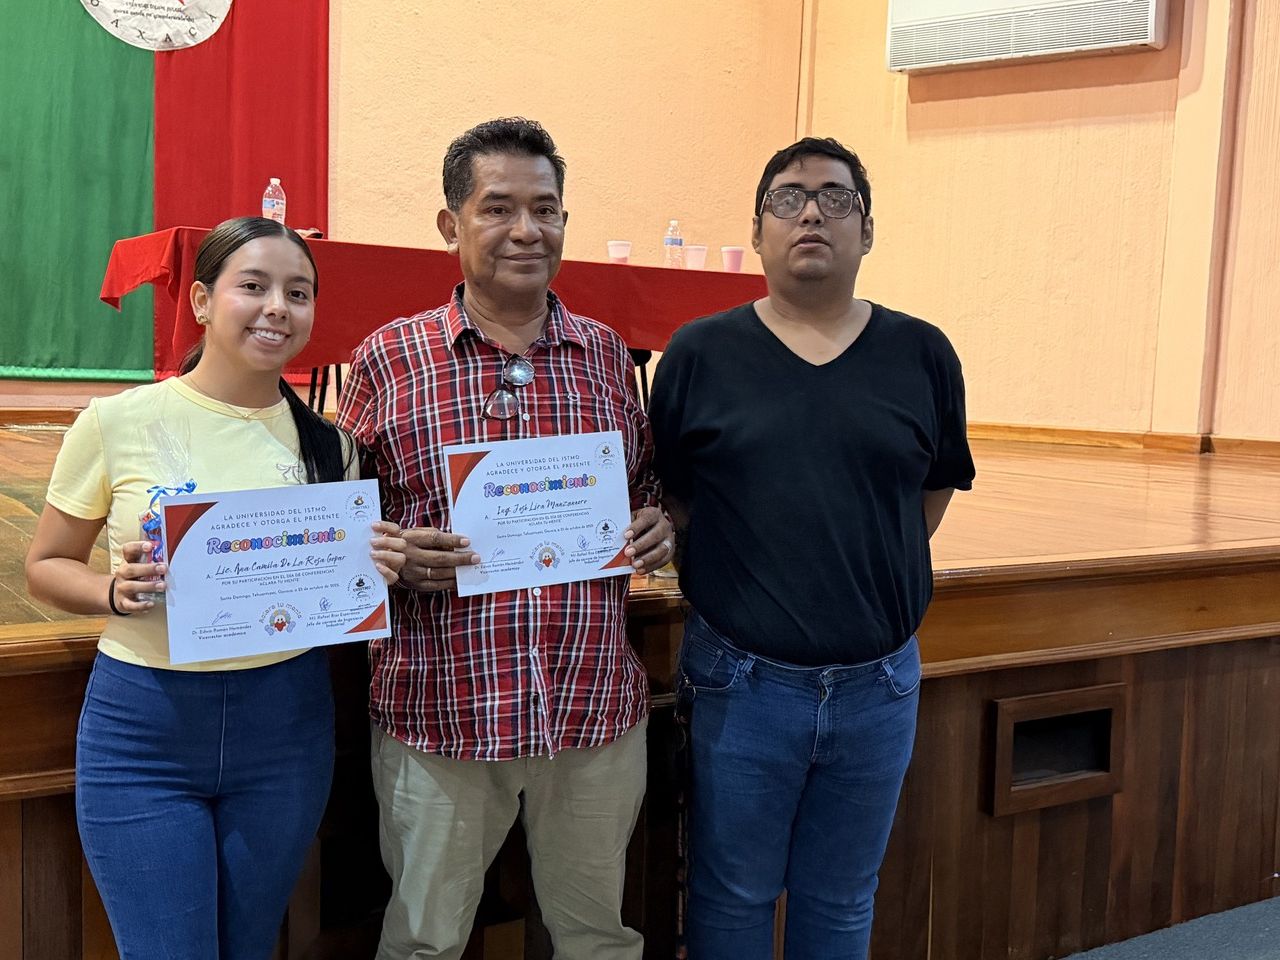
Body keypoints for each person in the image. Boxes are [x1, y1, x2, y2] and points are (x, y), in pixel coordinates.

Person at [24, 216, 407, 960]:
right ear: (201, 300)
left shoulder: (333, 447)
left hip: (285, 725)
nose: (277, 308)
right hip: (146, 728)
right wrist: (112, 591)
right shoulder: (116, 421)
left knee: (248, 946)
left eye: (298, 293)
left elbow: (334, 591)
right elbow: (46, 565)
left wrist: (373, 566)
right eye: (253, 286)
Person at [336, 117, 673, 960]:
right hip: (442, 711)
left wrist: (657, 523)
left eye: (545, 209)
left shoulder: (606, 356)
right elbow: (337, 528)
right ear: (450, 224)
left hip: (589, 704)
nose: (527, 230)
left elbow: (645, 487)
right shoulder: (388, 358)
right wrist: (389, 556)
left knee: (598, 939)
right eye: (498, 209)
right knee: (423, 943)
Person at [648, 137, 976, 960]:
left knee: (841, 899)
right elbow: (678, 497)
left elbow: (930, 493)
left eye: (836, 198)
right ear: (757, 232)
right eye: (788, 198)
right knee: (731, 895)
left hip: (880, 685)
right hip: (740, 682)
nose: (811, 214)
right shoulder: (698, 353)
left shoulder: (923, 354)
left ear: (868, 232)